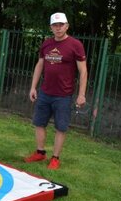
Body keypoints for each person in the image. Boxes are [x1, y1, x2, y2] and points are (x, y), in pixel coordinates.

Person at [24, 12, 88, 170]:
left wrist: (81, 94)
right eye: (55, 25)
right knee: (39, 123)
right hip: (45, 92)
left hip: (63, 95)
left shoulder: (75, 45)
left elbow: (83, 71)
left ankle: (55, 158)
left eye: (61, 25)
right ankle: (40, 153)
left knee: (61, 127)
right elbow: (40, 65)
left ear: (67, 26)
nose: (58, 28)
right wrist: (33, 87)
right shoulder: (46, 44)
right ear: (51, 27)